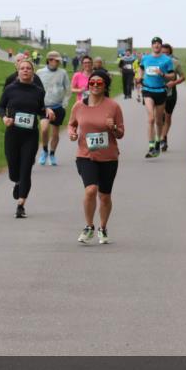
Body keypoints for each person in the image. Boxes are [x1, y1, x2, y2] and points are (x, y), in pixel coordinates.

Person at [68, 71, 125, 244]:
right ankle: (89, 226)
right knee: (90, 190)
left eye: (99, 83)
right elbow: (72, 124)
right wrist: (71, 133)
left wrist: (113, 127)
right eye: (91, 83)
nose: (94, 86)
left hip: (108, 157)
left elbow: (121, 133)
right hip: (86, 155)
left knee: (105, 196)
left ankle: (103, 227)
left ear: (105, 85)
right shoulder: (78, 106)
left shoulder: (113, 106)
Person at [0, 58, 55, 218]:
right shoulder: (10, 89)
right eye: (22, 68)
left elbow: (42, 110)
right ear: (18, 71)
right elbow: (1, 107)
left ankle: (21, 204)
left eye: (28, 68)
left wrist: (47, 112)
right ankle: (16, 181)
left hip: (30, 135)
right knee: (13, 171)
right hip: (13, 134)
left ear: (32, 72)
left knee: (26, 170)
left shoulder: (38, 91)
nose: (25, 71)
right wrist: (4, 118)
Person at [136, 37, 175, 158]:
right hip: (148, 90)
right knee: (151, 119)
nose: (157, 45)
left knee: (159, 121)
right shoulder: (146, 58)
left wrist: (162, 74)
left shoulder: (167, 60)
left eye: (159, 44)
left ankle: (158, 141)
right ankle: (151, 146)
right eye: (154, 44)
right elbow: (141, 69)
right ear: (152, 46)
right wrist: (139, 77)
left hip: (161, 91)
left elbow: (172, 75)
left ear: (161, 46)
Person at [36, 51, 70, 166]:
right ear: (49, 60)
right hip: (44, 107)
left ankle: (52, 154)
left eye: (58, 61)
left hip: (58, 106)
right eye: (56, 60)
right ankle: (44, 151)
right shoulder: (40, 72)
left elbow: (68, 90)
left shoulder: (63, 73)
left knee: (55, 133)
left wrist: (64, 103)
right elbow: (35, 88)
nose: (58, 62)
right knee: (44, 129)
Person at [159, 43, 186, 152]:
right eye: (163, 52)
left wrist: (174, 83)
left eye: (167, 53)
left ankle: (164, 138)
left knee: (168, 117)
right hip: (158, 92)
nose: (165, 54)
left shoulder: (175, 63)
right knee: (160, 117)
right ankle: (162, 139)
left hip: (171, 93)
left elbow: (183, 77)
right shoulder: (155, 63)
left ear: (170, 53)